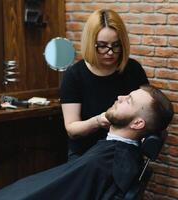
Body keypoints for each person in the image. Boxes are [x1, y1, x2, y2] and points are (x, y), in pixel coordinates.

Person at [0, 85, 174, 200]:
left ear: (138, 123)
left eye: (128, 100)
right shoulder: (126, 158)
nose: (119, 96)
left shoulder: (103, 163)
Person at [60, 9, 149, 160]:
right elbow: (72, 129)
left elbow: (147, 111)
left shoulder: (133, 70)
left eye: (116, 45)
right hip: (85, 156)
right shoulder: (74, 75)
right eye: (102, 45)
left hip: (123, 153)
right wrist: (98, 121)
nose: (110, 52)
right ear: (90, 43)